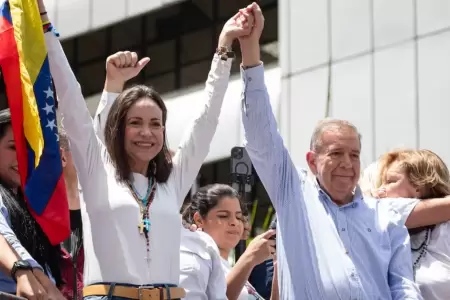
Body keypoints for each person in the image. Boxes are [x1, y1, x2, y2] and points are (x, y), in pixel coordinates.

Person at [40, 0, 255, 297]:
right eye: (135, 123)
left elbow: (207, 119)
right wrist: (43, 24)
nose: (146, 132)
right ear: (118, 129)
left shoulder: (172, 182)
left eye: (156, 124)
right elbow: (70, 95)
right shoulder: (95, 172)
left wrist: (224, 46)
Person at [239, 3, 423, 299]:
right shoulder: (293, 196)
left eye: (354, 154)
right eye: (336, 154)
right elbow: (261, 136)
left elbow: (401, 284)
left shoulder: (383, 214)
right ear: (312, 161)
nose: (347, 164)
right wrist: (250, 51)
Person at [361, 149, 450, 300]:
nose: (381, 189)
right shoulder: (383, 218)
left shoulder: (445, 228)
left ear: (419, 187)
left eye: (390, 181)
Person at [0, 108, 64, 300]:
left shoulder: (33, 205)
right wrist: (23, 270)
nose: (22, 157)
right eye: (13, 147)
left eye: (30, 149)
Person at [181, 184, 274, 300]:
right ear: (199, 220)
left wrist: (278, 266)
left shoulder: (228, 268)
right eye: (224, 216)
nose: (234, 222)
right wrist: (249, 257)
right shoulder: (196, 260)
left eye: (239, 217)